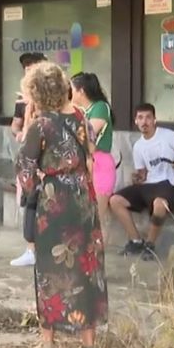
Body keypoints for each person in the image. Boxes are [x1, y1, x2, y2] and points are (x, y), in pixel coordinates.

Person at [17, 61, 108, 348]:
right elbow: (92, 153)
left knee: (50, 268)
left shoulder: (41, 125)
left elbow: (25, 169)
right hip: (82, 198)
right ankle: (89, 343)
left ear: (37, 92)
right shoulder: (81, 118)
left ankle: (48, 341)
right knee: (86, 266)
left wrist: (37, 186)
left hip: (54, 202)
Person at [109, 103, 174, 261]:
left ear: (155, 119)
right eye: (140, 118)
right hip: (148, 185)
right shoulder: (138, 146)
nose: (144, 122)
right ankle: (136, 240)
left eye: (148, 117)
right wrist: (138, 177)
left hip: (168, 183)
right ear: (135, 121)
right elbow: (143, 173)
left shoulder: (169, 136)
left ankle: (150, 245)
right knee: (115, 200)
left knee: (160, 204)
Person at [10, 52, 47, 267]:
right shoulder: (22, 101)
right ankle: (31, 249)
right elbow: (16, 125)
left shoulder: (52, 100)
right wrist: (20, 133)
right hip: (29, 158)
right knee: (29, 201)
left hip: (46, 160)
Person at [71, 72, 115, 235]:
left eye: (72, 89)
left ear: (81, 91)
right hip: (86, 165)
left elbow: (87, 134)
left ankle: (97, 256)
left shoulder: (100, 107)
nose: (70, 93)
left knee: (96, 216)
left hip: (100, 164)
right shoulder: (84, 110)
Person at [11, 53, 46, 140]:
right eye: (26, 69)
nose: (27, 73)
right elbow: (16, 123)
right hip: (30, 147)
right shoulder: (22, 98)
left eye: (31, 70)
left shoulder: (52, 95)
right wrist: (19, 134)